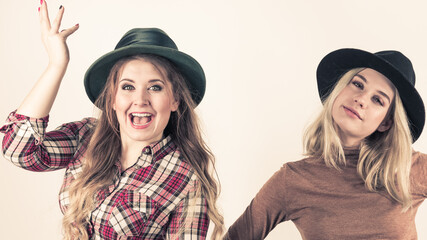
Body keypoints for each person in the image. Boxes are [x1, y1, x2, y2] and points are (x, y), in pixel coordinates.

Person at [0, 1, 223, 239]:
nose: (140, 100)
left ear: (175, 100)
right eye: (127, 86)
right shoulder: (85, 136)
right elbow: (19, 150)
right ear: (112, 99)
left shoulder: (187, 178)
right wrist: (57, 65)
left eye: (155, 87)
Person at [224, 48, 427, 239]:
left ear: (386, 122)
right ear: (339, 90)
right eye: (357, 84)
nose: (361, 99)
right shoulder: (292, 180)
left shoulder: (412, 167)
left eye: (378, 100)